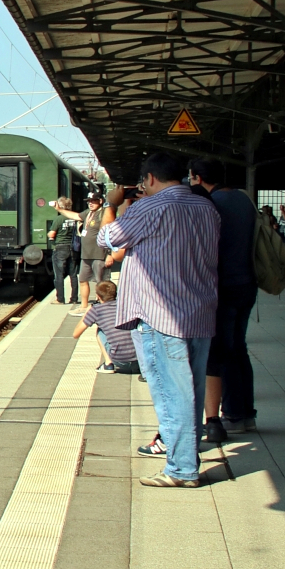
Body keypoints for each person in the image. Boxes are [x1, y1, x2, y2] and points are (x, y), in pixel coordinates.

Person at [97, 152, 219, 488]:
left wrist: (112, 204)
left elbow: (106, 238)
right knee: (190, 390)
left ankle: (181, 469)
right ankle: (186, 459)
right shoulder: (205, 208)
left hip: (160, 315)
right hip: (200, 311)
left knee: (170, 394)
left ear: (149, 179)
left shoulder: (149, 208)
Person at [189, 158, 258, 442]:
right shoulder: (244, 200)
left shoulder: (211, 203)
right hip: (247, 283)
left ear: (198, 178)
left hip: (224, 286)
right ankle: (244, 414)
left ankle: (230, 415)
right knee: (238, 348)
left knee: (221, 353)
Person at [55, 191, 108, 314]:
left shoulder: (104, 214)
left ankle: (103, 307)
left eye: (93, 201)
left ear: (100, 201)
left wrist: (109, 254)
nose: (90, 203)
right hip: (86, 255)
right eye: (89, 201)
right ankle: (84, 306)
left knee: (101, 282)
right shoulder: (88, 214)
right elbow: (75, 216)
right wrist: (60, 209)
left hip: (99, 254)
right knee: (83, 279)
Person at [73, 280, 140, 374]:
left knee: (100, 330)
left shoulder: (96, 309)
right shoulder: (126, 306)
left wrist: (87, 312)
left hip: (120, 361)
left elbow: (76, 334)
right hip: (140, 361)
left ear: (98, 296)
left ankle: (108, 364)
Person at [47, 197, 79, 306]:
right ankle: (74, 298)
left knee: (59, 275)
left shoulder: (59, 219)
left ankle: (60, 299)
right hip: (73, 247)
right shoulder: (74, 218)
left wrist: (49, 235)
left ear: (60, 206)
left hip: (60, 247)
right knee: (73, 274)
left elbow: (52, 234)